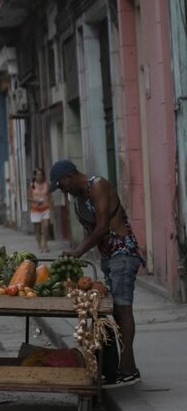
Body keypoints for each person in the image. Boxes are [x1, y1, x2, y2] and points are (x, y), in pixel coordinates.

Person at [50, 159, 144, 387]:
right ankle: (119, 366)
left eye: (61, 185)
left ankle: (128, 367)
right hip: (108, 257)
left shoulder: (98, 185)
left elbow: (102, 227)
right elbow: (90, 232)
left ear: (70, 176)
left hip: (122, 252)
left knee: (122, 308)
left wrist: (77, 252)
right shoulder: (78, 200)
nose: (63, 190)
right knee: (112, 310)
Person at [28, 168, 51, 252]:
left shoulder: (46, 184)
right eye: (37, 175)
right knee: (37, 229)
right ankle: (39, 245)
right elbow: (28, 197)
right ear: (35, 176)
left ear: (43, 176)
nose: (39, 176)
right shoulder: (32, 185)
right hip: (35, 210)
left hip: (45, 208)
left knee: (46, 227)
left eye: (41, 175)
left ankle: (45, 244)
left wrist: (51, 207)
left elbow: (50, 196)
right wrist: (36, 201)